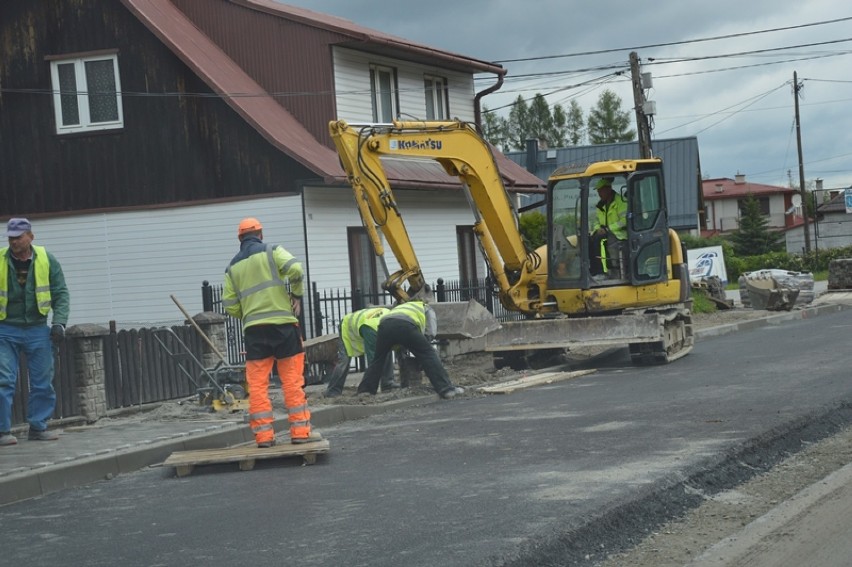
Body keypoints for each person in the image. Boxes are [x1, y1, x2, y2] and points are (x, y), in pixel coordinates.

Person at [223, 217, 312, 448]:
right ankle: (300, 433)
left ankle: (264, 437)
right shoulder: (273, 251)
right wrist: (297, 295)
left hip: (255, 331)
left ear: (240, 239)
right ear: (260, 234)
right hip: (283, 326)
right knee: (292, 380)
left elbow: (229, 304)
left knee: (258, 385)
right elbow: (295, 269)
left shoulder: (232, 267)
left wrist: (249, 313)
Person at [0, 218, 70, 446]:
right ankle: (3, 432)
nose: (14, 242)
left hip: (38, 328)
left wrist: (59, 322)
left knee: (42, 381)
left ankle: (38, 427)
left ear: (31, 236)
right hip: (5, 328)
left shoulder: (46, 260)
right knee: (4, 380)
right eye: (11, 237)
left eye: (18, 237)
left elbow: (60, 293)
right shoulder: (0, 260)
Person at [356, 299, 463, 399]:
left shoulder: (400, 308)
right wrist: (423, 345)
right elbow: (431, 332)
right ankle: (446, 389)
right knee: (428, 353)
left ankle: (365, 391)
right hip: (405, 325)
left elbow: (397, 336)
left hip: (384, 326)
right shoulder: (427, 308)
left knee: (378, 360)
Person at [325, 306, 396, 398]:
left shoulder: (391, 318)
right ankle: (332, 391)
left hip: (362, 324)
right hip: (347, 327)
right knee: (344, 361)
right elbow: (374, 360)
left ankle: (387, 384)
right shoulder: (373, 329)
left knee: (387, 349)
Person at [589, 177, 628, 276]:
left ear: (608, 189)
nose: (599, 194)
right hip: (607, 232)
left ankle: (602, 272)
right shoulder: (600, 205)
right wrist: (598, 229)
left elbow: (625, 221)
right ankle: (593, 271)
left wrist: (608, 228)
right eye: (598, 191)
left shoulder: (621, 202)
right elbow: (596, 221)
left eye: (601, 190)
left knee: (600, 240)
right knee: (589, 239)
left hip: (620, 234)